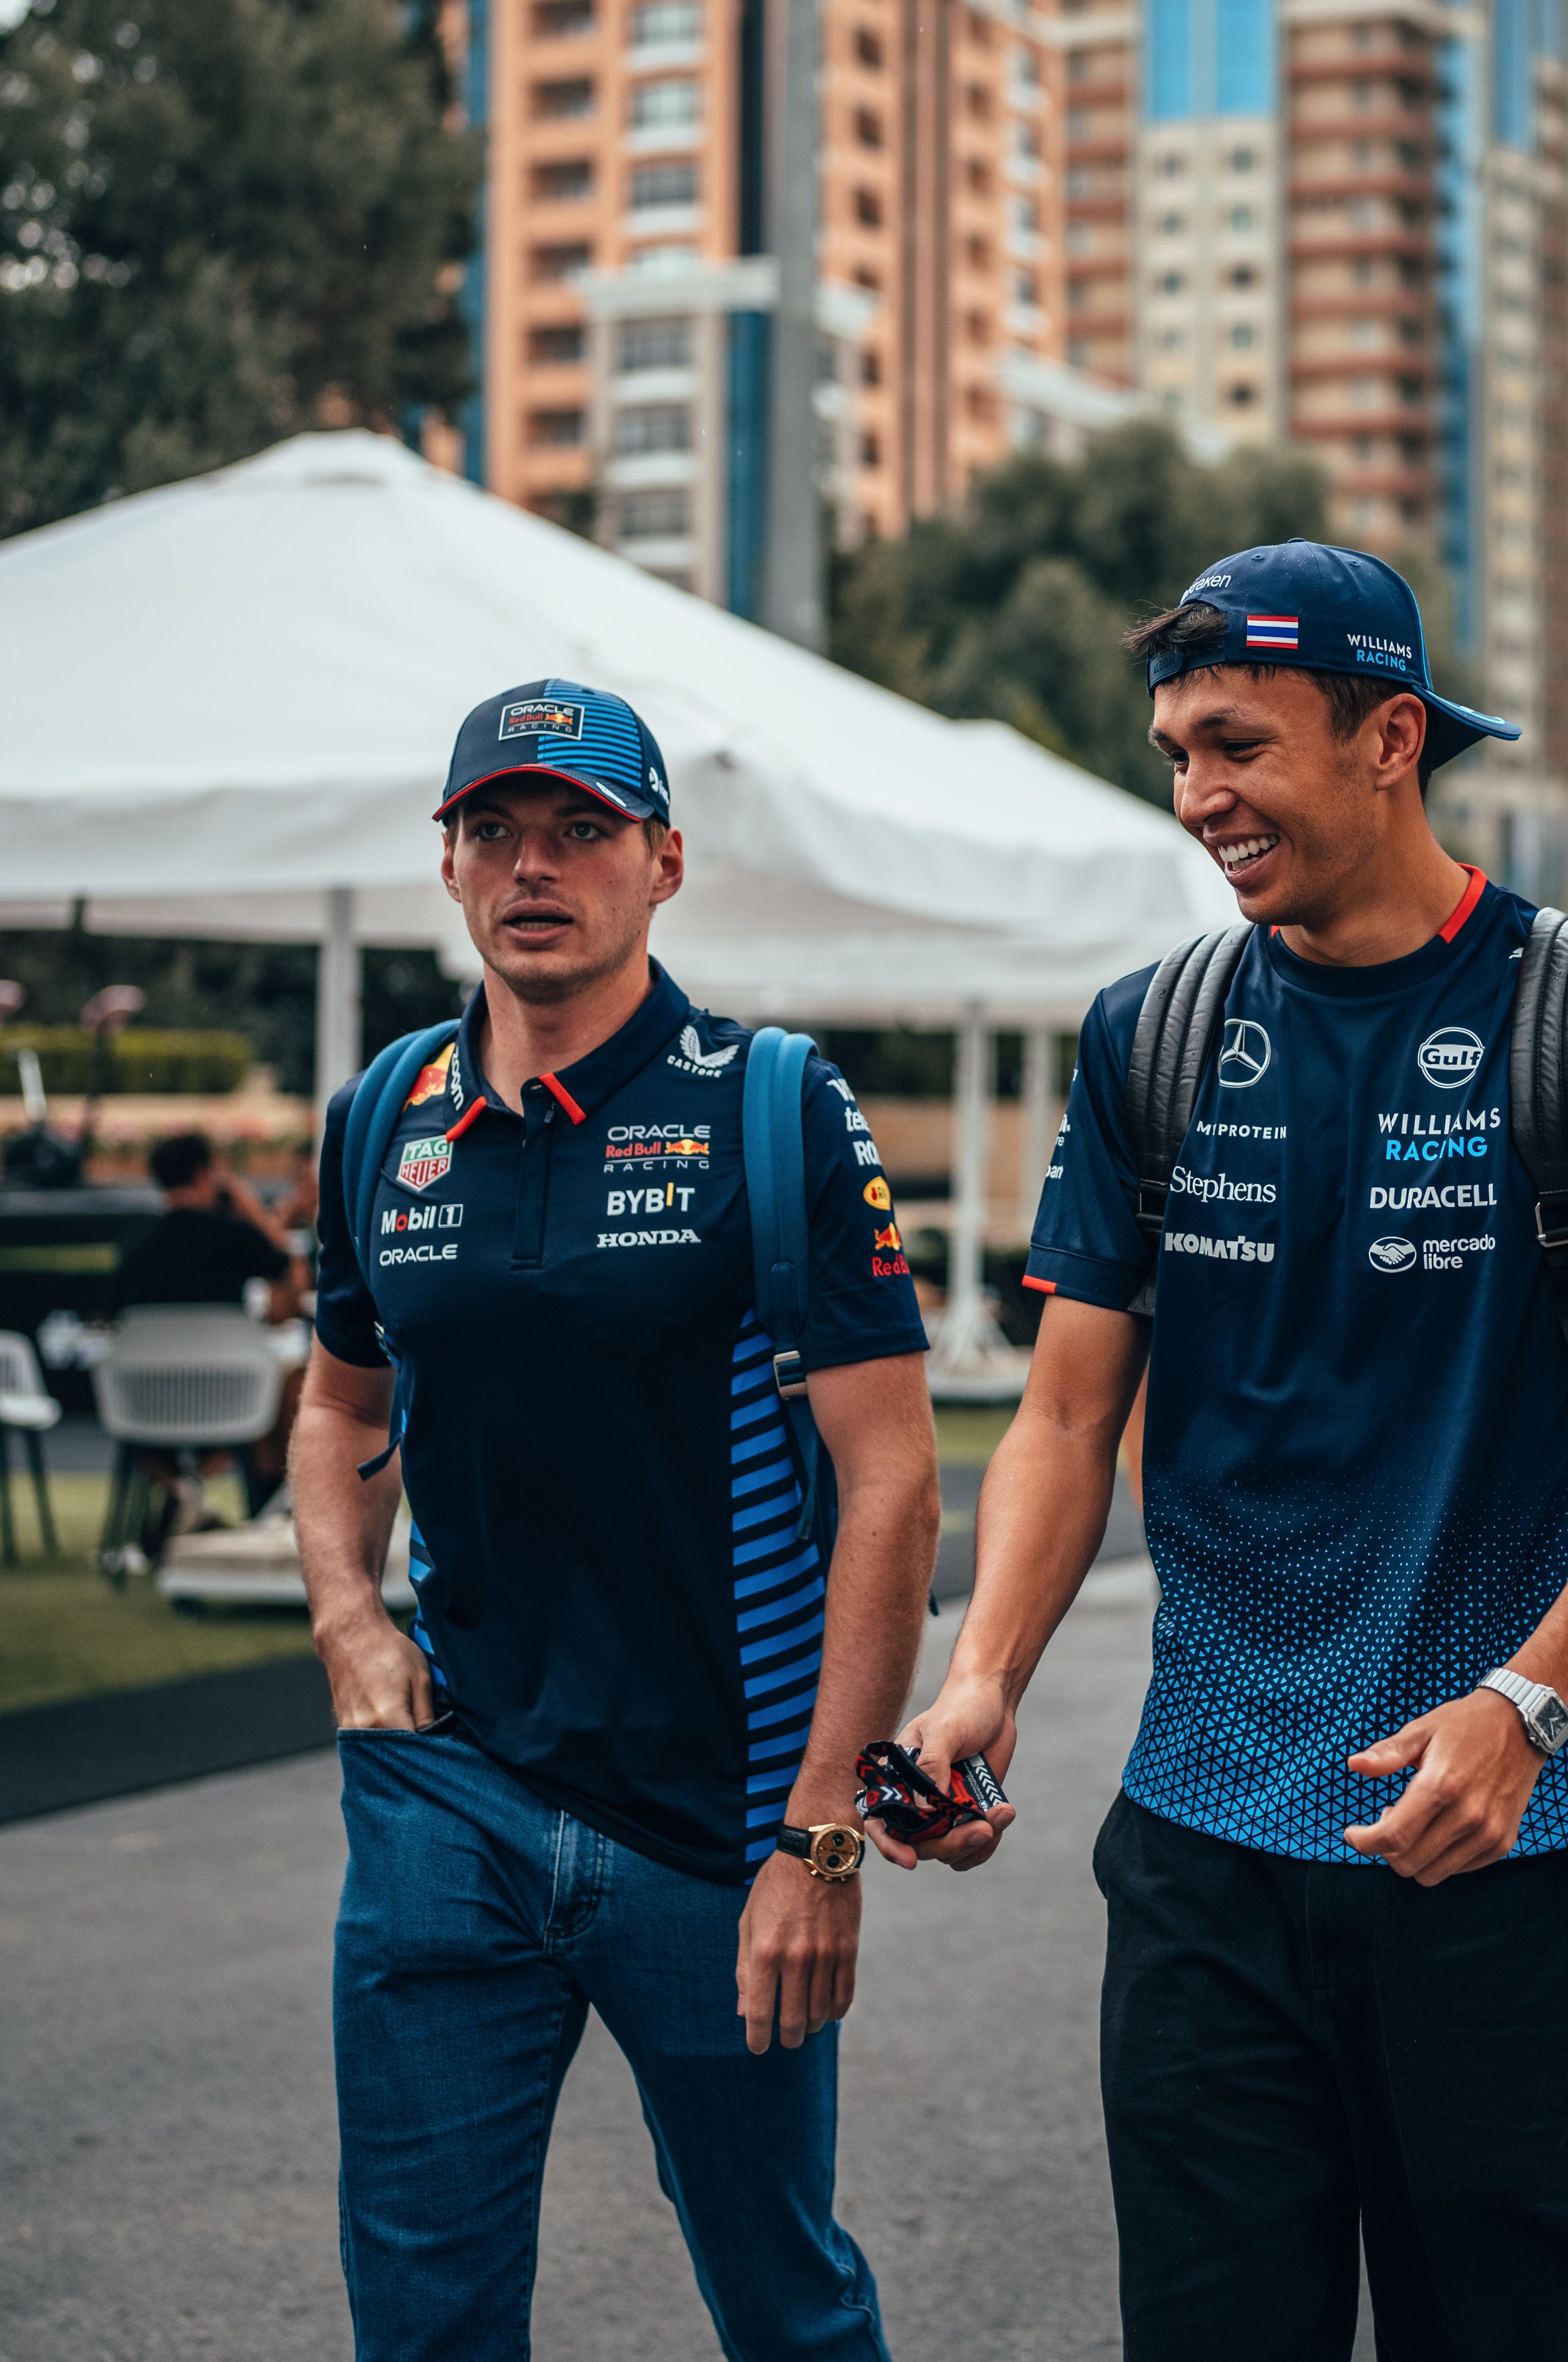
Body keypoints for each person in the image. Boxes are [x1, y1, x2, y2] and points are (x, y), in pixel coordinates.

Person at [886, 546, 1568, 2362]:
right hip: (1203, 1832)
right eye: (1176, 749)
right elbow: (1061, 1410)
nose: (1197, 793)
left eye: (1236, 743)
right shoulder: (1155, 1033)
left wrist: (1527, 1701)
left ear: (1390, 738)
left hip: (1504, 1833)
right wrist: (982, 1678)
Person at [290, 678, 939, 2361]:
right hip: (452, 1792)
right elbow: (339, 1404)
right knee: (423, 2315)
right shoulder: (383, 1118)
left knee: (782, 2298)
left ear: (662, 861)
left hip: (717, 1826)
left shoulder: (772, 1103)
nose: (534, 863)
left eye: (581, 827)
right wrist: (352, 1624)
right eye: (493, 828)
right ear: (446, 867)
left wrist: (821, 1836)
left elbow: (892, 1479)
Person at [112, 1129, 307, 1540]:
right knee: (288, 1384)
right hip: (231, 1403)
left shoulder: (134, 1246)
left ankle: (181, 1491)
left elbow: (111, 1322)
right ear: (206, 1174)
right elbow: (294, 1280)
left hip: (146, 1407)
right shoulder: (235, 1234)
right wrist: (255, 1211)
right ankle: (264, 1515)